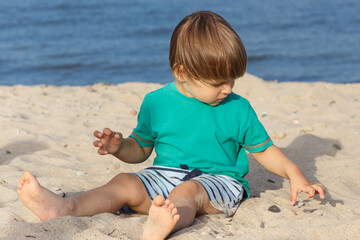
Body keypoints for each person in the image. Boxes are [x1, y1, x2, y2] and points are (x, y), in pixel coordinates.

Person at [17, 11, 325, 240]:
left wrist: (295, 176)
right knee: (124, 182)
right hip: (164, 176)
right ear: (181, 72)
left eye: (232, 79)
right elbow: (141, 149)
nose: (228, 88)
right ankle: (64, 208)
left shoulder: (237, 108)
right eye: (218, 82)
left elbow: (266, 151)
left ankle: (165, 224)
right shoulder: (156, 102)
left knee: (188, 190)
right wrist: (118, 148)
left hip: (219, 182)